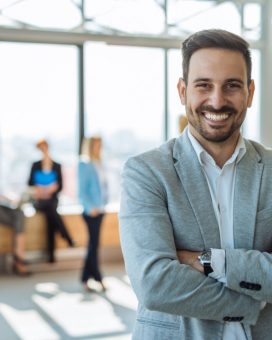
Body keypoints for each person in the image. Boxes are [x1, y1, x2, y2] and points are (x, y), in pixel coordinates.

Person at [119, 29, 272, 340]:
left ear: (251, 92)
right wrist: (254, 301)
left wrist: (207, 261)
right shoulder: (146, 172)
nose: (217, 100)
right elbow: (156, 285)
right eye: (204, 85)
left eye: (232, 85)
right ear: (182, 90)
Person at [28, 139, 75, 263]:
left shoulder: (56, 165)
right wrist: (40, 190)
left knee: (51, 216)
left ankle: (51, 255)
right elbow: (29, 183)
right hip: (38, 200)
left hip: (51, 199)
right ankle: (66, 236)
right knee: (52, 213)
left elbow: (60, 186)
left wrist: (51, 190)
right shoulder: (35, 165)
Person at [78, 136, 107, 292]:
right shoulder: (84, 163)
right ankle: (98, 278)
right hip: (91, 211)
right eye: (96, 145)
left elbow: (103, 187)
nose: (98, 148)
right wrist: (91, 207)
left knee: (93, 245)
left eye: (100, 145)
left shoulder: (100, 163)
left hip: (101, 209)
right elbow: (81, 191)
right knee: (93, 245)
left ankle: (85, 278)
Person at [0, 196, 31, 276]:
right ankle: (18, 260)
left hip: (8, 206)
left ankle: (19, 258)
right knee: (19, 217)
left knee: (20, 214)